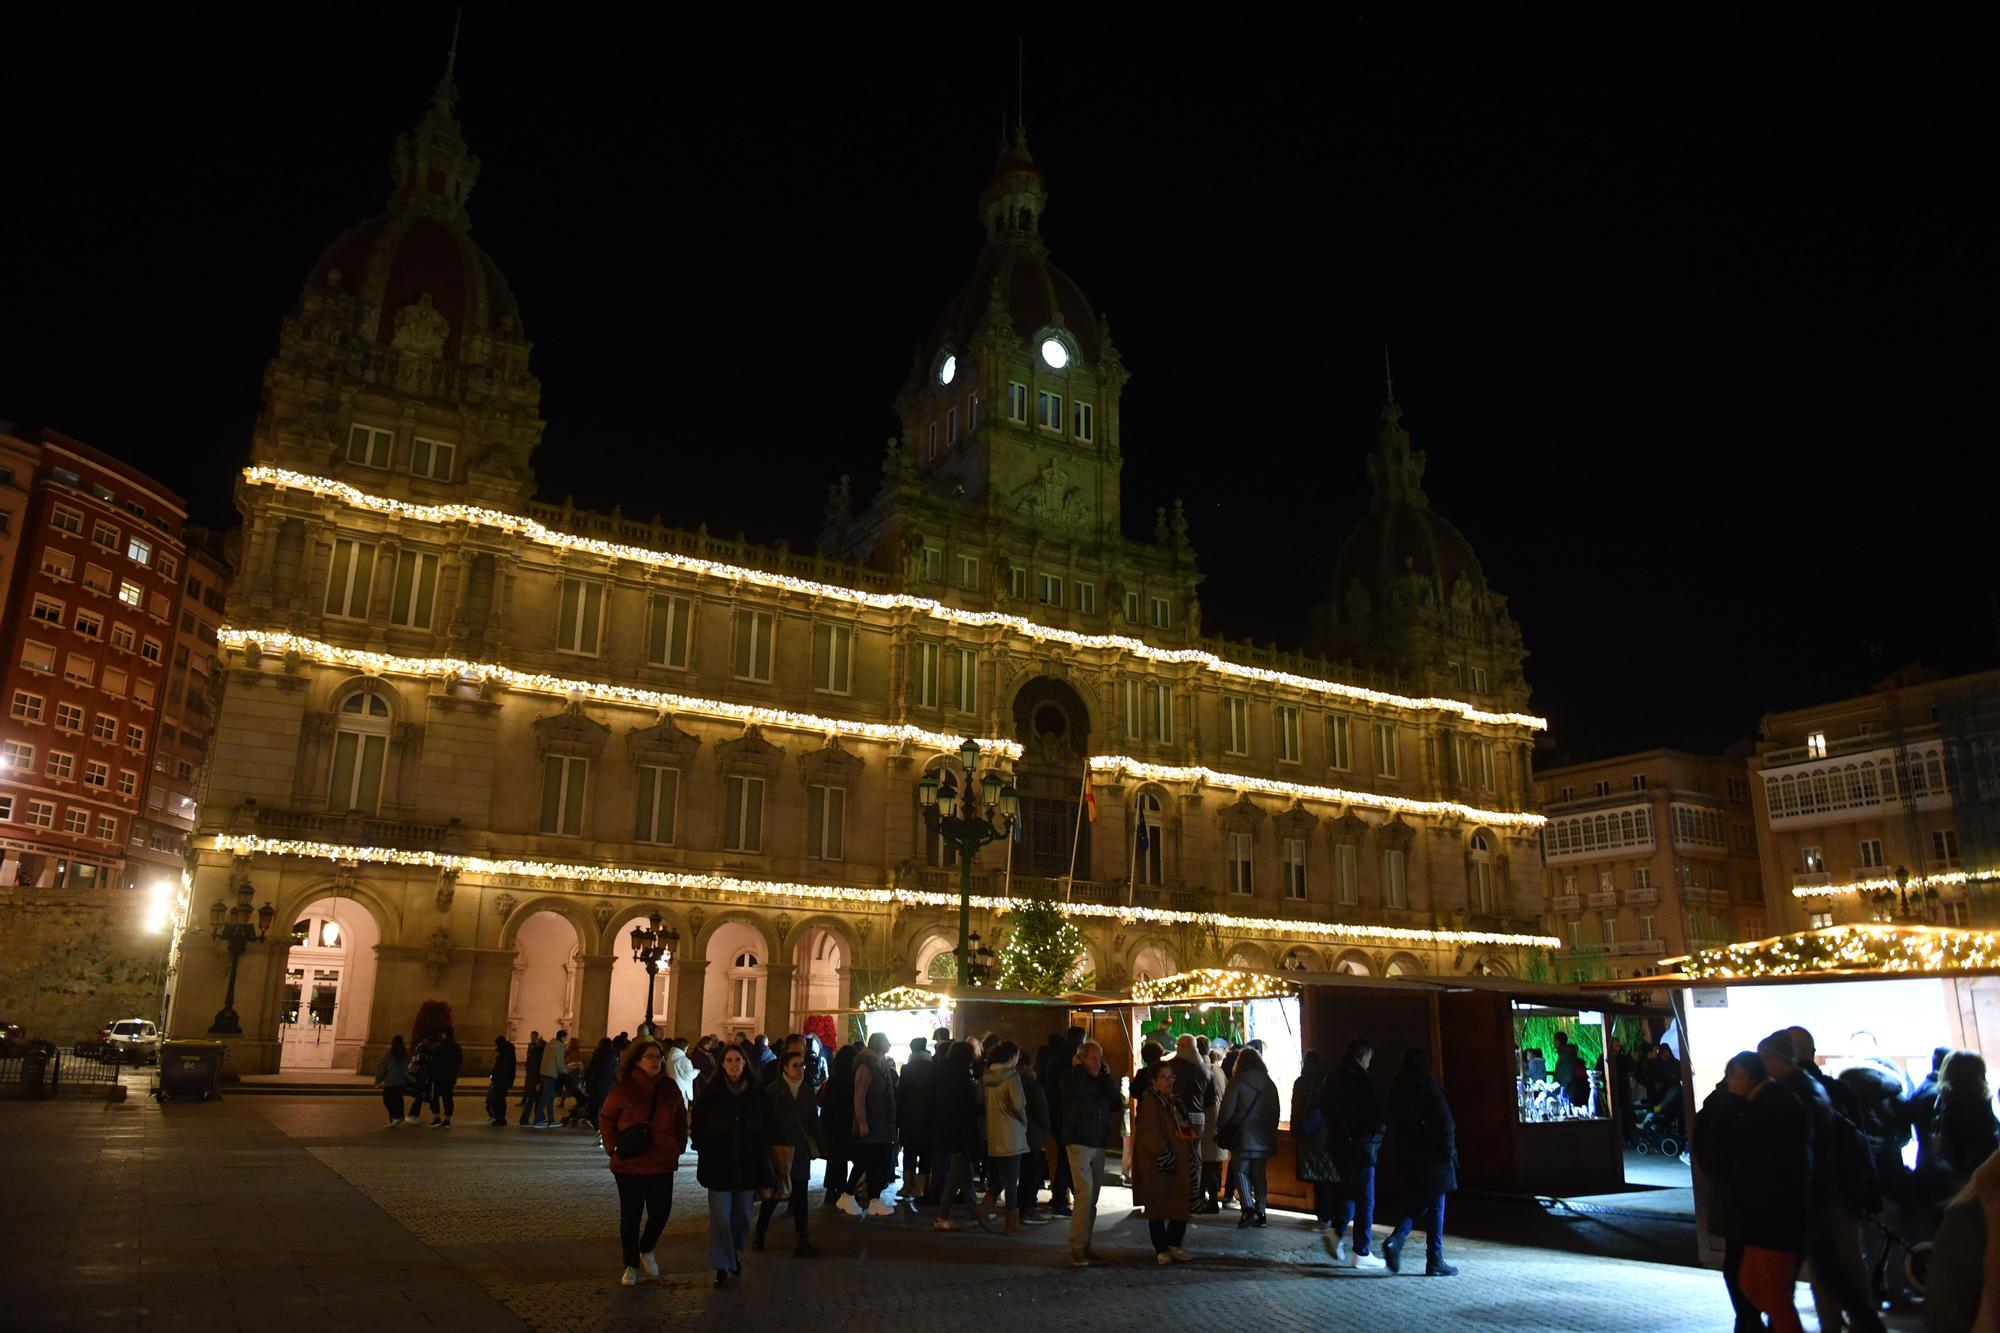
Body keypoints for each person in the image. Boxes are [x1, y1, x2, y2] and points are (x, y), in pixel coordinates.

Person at [1759, 1030, 1884, 1333]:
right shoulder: (1830, 1089)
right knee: (1844, 1268)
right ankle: (1864, 1323)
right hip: (1837, 1195)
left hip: (1813, 1197)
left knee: (1820, 1272)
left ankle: (1837, 1325)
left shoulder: (1790, 1094)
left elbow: (1794, 1151)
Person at [1695, 1050, 1808, 1333]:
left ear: (1743, 1075)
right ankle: (1750, 1322)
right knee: (1762, 1287)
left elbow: (1724, 1152)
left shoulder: (1762, 1105)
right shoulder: (1776, 1101)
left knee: (1764, 1290)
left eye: (1733, 1075)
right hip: (1766, 1214)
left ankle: (1750, 1323)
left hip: (1762, 1216)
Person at [598, 1037, 689, 1287]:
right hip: (630, 1165)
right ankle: (631, 1264)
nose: (656, 1061)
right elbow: (606, 1118)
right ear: (637, 1060)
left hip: (662, 1162)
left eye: (658, 1057)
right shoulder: (624, 1088)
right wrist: (611, 1147)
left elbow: (681, 1118)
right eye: (650, 1056)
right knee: (631, 1216)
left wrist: (678, 1147)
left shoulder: (669, 1087)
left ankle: (646, 1248)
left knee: (661, 1211)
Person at [692, 1044, 776, 1289]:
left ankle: (734, 1252)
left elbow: (768, 1124)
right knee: (720, 1216)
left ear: (745, 1063)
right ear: (721, 1064)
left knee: (741, 1216)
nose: (733, 1064)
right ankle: (721, 1264)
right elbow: (698, 1124)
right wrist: (704, 1147)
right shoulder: (711, 1093)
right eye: (728, 1060)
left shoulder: (757, 1094)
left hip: (748, 1165)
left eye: (737, 1059)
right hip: (719, 1165)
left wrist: (764, 1148)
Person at [1381, 1047, 1459, 1276]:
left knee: (1421, 1202)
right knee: (1436, 1207)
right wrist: (1449, 1153)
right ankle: (1434, 1258)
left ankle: (1396, 1240)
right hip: (1433, 1158)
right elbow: (1446, 1126)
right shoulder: (1429, 1089)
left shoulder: (1396, 1091)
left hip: (1408, 1157)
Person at [1324, 1037, 1387, 1268]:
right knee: (1365, 1198)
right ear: (1362, 1057)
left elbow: (1324, 1107)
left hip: (1337, 1146)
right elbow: (1375, 1114)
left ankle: (1337, 1230)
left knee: (1350, 1191)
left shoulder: (1332, 1078)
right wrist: (1377, 1133)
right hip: (1361, 1146)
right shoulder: (1361, 1080)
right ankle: (1361, 1250)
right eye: (1369, 1059)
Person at [757, 1045, 824, 1257]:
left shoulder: (805, 1089)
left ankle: (802, 1240)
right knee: (775, 1196)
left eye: (802, 1065)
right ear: (784, 1068)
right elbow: (765, 1123)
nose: (800, 1069)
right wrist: (767, 1149)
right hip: (780, 1152)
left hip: (801, 1152)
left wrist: (823, 1147)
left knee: (801, 1197)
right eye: (796, 1065)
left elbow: (813, 1120)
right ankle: (759, 1234)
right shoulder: (773, 1091)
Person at [1062, 1039, 1121, 1267]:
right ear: (1081, 1059)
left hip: (1098, 1143)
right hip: (1078, 1142)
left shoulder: (1100, 1081)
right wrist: (1078, 1069)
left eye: (1100, 1058)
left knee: (1092, 1198)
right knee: (1084, 1194)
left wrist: (1106, 1078)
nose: (1098, 1062)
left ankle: (1086, 1243)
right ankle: (1077, 1246)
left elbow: (1115, 1103)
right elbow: (1074, 1094)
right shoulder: (1070, 1078)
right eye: (1094, 1058)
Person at [1133, 1062, 1195, 1264]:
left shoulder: (1174, 1101)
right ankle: (1161, 1248)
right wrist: (1164, 1153)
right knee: (1157, 1204)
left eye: (1171, 1077)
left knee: (1180, 1201)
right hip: (1159, 1163)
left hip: (1178, 1159)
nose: (1169, 1082)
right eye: (1164, 1077)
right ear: (1154, 1081)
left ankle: (1174, 1243)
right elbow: (1149, 1132)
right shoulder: (1151, 1102)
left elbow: (1184, 1125)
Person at [1218, 1045, 1280, 1227]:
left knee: (1241, 1171)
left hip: (1243, 1136)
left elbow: (1226, 1110)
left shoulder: (1237, 1081)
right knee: (1259, 1174)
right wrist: (1269, 1130)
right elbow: (1275, 1111)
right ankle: (1261, 1212)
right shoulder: (1269, 1083)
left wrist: (1222, 1127)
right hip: (1263, 1136)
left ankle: (1248, 1209)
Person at [841, 1031, 899, 1216]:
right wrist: (862, 1122)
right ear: (879, 1045)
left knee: (875, 1161)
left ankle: (873, 1199)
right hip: (873, 1123)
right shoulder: (866, 1066)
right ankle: (849, 1194)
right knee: (867, 1160)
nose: (890, 1044)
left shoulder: (879, 1063)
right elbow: (860, 1096)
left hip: (880, 1123)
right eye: (887, 1041)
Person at [932, 1040, 984, 1231]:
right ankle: (942, 1217)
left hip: (947, 1129)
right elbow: (966, 1106)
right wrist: (984, 1110)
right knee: (955, 1175)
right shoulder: (961, 1076)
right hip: (959, 1131)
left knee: (964, 1174)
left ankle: (976, 1215)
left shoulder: (943, 1073)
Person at [980, 1040, 1031, 1234]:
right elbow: (1019, 1105)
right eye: (1017, 1055)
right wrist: (1024, 1122)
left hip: (994, 1131)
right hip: (1011, 1133)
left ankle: (985, 1207)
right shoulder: (1012, 1077)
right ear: (1011, 1057)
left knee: (1005, 1175)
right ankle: (1011, 1223)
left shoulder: (986, 1077)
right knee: (1011, 1179)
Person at [1292, 1049, 1338, 1231]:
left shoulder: (1301, 1083)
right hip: (1326, 1133)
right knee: (1326, 1176)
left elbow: (1296, 1108)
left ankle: (1324, 1216)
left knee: (1319, 1179)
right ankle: (1329, 1215)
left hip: (1309, 1134)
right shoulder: (1328, 1081)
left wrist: (1296, 1130)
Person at [899, 1036, 936, 1206]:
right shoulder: (933, 1068)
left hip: (909, 1118)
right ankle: (920, 1188)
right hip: (929, 1118)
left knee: (910, 1153)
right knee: (926, 1154)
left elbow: (901, 1095)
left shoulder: (906, 1069)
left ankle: (907, 1186)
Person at [820, 1042, 858, 1209]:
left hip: (831, 1123)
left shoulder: (833, 1079)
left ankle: (830, 1190)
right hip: (846, 1122)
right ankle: (842, 1188)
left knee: (834, 1158)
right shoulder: (853, 1078)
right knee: (843, 1158)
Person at [1017, 1049, 1053, 1222]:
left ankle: (1020, 1207)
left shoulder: (1012, 1082)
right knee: (1032, 1172)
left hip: (1016, 1133)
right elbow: (1041, 1111)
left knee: (1022, 1172)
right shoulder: (1032, 1085)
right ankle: (1028, 1208)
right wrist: (1046, 1129)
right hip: (1032, 1134)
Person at [1198, 1043, 1229, 1212]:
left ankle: (1203, 1199)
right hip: (1218, 1122)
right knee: (1214, 1164)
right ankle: (1212, 1199)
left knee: (1204, 1164)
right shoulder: (1219, 1071)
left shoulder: (1198, 1069)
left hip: (1203, 1123)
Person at [426, 1025, 462, 1128]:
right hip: (450, 1077)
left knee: (435, 1097)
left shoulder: (440, 1046)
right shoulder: (456, 1046)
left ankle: (437, 1117)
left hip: (439, 1076)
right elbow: (459, 1061)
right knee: (448, 1097)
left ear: (443, 1034)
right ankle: (447, 1118)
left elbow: (434, 1061)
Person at [532, 1028, 567, 1127]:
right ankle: (537, 1120)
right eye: (565, 1038)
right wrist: (564, 1071)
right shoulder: (559, 1047)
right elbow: (560, 1062)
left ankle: (551, 1120)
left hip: (544, 1073)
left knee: (550, 1098)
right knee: (545, 1098)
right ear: (563, 1037)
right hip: (552, 1074)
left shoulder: (549, 1045)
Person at [374, 1035, 410, 1126]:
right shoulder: (405, 1053)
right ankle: (398, 1117)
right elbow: (407, 1067)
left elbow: (383, 1067)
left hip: (391, 1081)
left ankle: (394, 1117)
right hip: (401, 1081)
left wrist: (378, 1080)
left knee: (387, 1100)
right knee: (398, 1099)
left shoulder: (391, 1053)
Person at [584, 1037, 619, 1130]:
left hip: (596, 1083)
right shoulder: (614, 1056)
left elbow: (591, 1070)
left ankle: (597, 1126)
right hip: (609, 1084)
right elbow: (616, 1071)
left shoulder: (597, 1055)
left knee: (594, 1107)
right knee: (607, 1107)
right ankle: (606, 1127)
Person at [486, 1034, 517, 1126]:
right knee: (501, 1099)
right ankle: (500, 1117)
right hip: (504, 1080)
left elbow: (501, 1068)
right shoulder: (508, 1052)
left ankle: (499, 1118)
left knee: (498, 1099)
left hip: (501, 1080)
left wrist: (495, 1077)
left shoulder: (505, 1053)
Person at [520, 1030, 544, 1126]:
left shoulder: (533, 1054)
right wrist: (538, 1081)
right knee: (534, 1100)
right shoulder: (537, 1057)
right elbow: (536, 1070)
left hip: (532, 1080)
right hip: (535, 1080)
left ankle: (539, 1118)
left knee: (534, 1100)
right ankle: (534, 1119)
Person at [666, 1037, 697, 1108]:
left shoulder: (669, 1057)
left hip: (671, 1088)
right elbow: (688, 1075)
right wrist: (696, 1071)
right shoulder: (683, 1060)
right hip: (682, 1089)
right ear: (685, 1047)